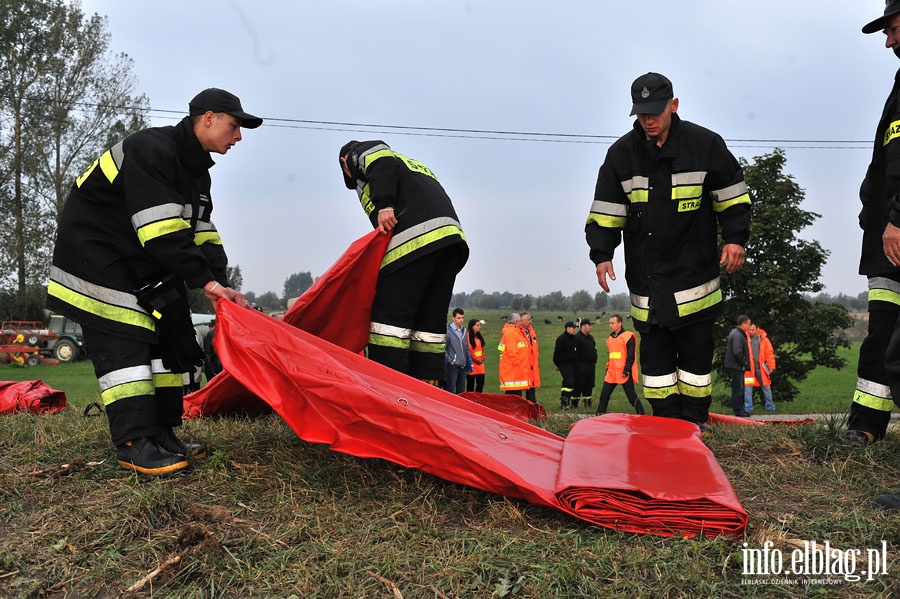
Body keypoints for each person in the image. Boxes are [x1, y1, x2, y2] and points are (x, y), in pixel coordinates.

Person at [47, 88, 259, 475]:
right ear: (208, 118)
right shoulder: (152, 150)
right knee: (126, 341)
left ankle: (162, 434)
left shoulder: (196, 172)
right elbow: (160, 232)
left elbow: (202, 234)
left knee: (170, 334)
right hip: (96, 259)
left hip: (139, 262)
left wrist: (222, 285)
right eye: (235, 126)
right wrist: (207, 286)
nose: (239, 137)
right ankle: (134, 442)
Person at [585, 72, 751, 430]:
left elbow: (734, 199)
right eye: (641, 113)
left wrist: (736, 239)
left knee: (695, 363)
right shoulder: (621, 155)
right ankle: (666, 427)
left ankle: (695, 424)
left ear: (673, 106)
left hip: (695, 281)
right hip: (648, 286)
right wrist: (601, 254)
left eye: (655, 112)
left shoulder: (704, 145)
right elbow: (606, 212)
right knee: (656, 370)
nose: (648, 120)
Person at [339, 140, 468, 385]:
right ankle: (428, 387)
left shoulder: (360, 152)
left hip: (416, 241)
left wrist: (385, 204)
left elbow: (381, 159)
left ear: (345, 162)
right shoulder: (414, 167)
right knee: (428, 324)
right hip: (450, 243)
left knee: (389, 318)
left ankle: (389, 387)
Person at [596, 314, 645, 416]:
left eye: (612, 323)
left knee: (631, 396)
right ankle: (600, 413)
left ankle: (641, 414)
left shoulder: (628, 337)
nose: (610, 325)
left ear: (620, 323)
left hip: (624, 372)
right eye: (610, 323)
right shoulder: (609, 339)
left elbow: (630, 356)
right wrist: (607, 369)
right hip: (612, 372)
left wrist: (626, 370)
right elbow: (611, 357)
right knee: (604, 394)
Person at [743, 323, 776, 414]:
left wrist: (771, 366)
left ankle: (770, 407)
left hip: (762, 368)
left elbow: (769, 353)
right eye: (749, 330)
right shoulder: (745, 339)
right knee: (748, 389)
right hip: (749, 369)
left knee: (766, 387)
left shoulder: (764, 340)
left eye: (753, 329)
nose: (751, 332)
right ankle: (748, 409)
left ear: (757, 328)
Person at [498, 313, 532, 397]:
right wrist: (520, 366)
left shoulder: (516, 332)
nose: (521, 322)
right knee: (513, 397)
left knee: (515, 396)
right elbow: (512, 353)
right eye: (520, 321)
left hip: (515, 372)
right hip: (513, 373)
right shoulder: (511, 333)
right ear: (516, 322)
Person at [725, 315, 752, 417]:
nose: (749, 327)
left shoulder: (736, 333)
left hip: (734, 365)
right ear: (743, 323)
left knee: (737, 388)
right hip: (736, 366)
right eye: (748, 324)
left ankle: (739, 409)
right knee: (738, 389)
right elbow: (737, 352)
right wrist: (744, 362)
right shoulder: (738, 335)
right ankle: (739, 411)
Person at [552, 321, 578, 410]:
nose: (574, 329)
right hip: (564, 364)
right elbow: (556, 354)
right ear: (567, 328)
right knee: (570, 381)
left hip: (572, 365)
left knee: (568, 383)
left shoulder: (574, 338)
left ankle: (565, 403)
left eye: (575, 328)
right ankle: (565, 402)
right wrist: (558, 364)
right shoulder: (561, 339)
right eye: (573, 328)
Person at [573, 320, 598, 409]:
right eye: (589, 325)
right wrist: (578, 365)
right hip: (580, 367)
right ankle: (574, 403)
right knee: (579, 385)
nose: (590, 327)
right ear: (583, 326)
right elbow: (574, 353)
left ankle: (587, 402)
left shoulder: (590, 338)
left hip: (590, 366)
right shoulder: (577, 338)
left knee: (589, 384)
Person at [445, 308, 469, 394]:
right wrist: (451, 360)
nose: (461, 320)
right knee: (451, 389)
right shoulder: (448, 331)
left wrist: (468, 362)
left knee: (461, 390)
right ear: (453, 318)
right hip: (453, 365)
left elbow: (466, 347)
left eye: (462, 318)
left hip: (463, 365)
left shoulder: (464, 331)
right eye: (458, 318)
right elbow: (444, 347)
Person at [520, 312, 541, 402]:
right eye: (528, 320)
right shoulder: (517, 333)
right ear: (521, 321)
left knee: (531, 390)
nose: (530, 322)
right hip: (521, 367)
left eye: (530, 319)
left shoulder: (531, 332)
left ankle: (532, 409)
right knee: (517, 390)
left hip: (532, 367)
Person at [466, 318, 486, 392]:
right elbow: (469, 351)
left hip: (480, 365)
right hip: (472, 365)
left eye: (479, 325)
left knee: (480, 384)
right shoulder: (467, 337)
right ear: (472, 327)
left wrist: (482, 358)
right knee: (470, 385)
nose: (479, 327)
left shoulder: (479, 337)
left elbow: (483, 348)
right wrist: (476, 360)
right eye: (477, 325)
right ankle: (470, 401)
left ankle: (478, 399)